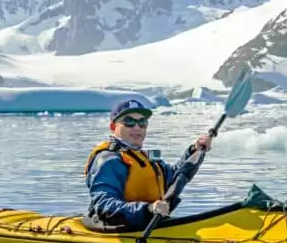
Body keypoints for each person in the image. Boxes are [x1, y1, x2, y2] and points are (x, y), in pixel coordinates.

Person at [83, 98, 213, 229]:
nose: (136, 127)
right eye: (129, 121)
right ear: (113, 127)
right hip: (119, 229)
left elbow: (174, 177)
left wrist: (195, 151)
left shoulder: (148, 155)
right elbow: (105, 207)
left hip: (150, 224)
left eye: (142, 122)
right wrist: (148, 209)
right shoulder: (108, 159)